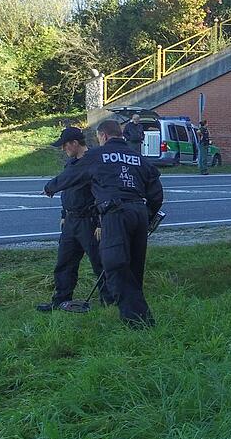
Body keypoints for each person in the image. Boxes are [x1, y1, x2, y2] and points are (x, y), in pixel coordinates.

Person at [44, 120, 164, 328]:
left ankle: (137, 321)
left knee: (114, 265)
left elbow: (72, 176)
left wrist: (50, 188)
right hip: (139, 213)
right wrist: (149, 214)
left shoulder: (97, 156)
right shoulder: (138, 157)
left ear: (103, 136)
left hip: (115, 214)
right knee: (134, 267)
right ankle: (135, 314)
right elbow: (156, 192)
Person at [35, 126, 114, 311]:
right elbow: (68, 188)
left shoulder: (92, 161)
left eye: (65, 146)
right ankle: (61, 300)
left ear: (75, 143)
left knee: (99, 262)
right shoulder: (71, 164)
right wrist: (64, 214)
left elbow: (101, 194)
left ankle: (109, 301)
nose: (64, 149)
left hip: (90, 221)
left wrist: (101, 223)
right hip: (71, 221)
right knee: (64, 262)